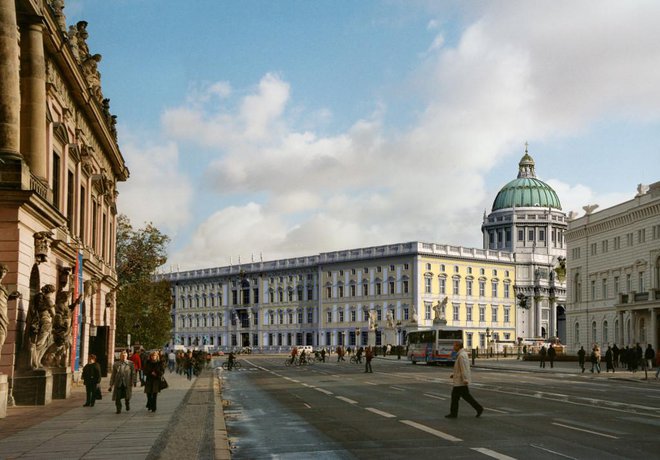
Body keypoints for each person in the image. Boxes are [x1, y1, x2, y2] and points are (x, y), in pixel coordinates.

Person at [445, 341, 483, 419]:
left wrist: (465, 379)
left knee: (455, 397)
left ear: (458, 346)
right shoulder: (462, 354)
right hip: (460, 380)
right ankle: (478, 408)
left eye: (454, 346)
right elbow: (461, 368)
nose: (453, 347)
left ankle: (454, 414)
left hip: (460, 382)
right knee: (466, 397)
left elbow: (463, 368)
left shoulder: (461, 356)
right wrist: (454, 374)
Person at [0, 264, 21, 361]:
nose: (2, 274)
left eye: (4, 272)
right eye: (1, 271)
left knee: (1, 339)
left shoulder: (2, 287)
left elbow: (3, 299)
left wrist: (11, 297)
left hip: (3, 317)